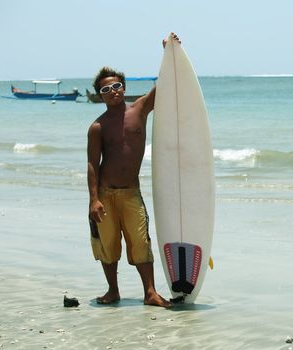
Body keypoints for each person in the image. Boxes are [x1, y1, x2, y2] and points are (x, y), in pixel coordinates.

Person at [87, 33, 180, 307]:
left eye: (116, 86)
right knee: (108, 246)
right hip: (105, 193)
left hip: (131, 193)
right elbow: (92, 163)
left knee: (140, 241)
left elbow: (164, 87)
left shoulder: (139, 109)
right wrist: (94, 199)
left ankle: (150, 293)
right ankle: (113, 290)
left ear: (124, 87)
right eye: (105, 89)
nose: (112, 91)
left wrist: (169, 54)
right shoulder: (98, 126)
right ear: (100, 95)